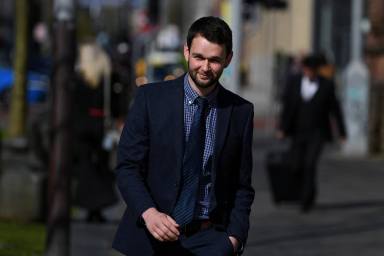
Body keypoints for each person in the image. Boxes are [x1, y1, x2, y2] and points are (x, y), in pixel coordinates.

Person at [112, 16, 255, 256]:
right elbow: (127, 167)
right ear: (186, 52)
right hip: (151, 236)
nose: (205, 68)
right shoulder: (150, 99)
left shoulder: (240, 112)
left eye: (215, 60)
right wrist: (149, 213)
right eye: (199, 57)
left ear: (228, 59)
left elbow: (242, 186)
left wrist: (234, 239)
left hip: (210, 241)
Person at [276, 54, 347, 213]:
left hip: (318, 133)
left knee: (310, 164)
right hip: (297, 132)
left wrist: (342, 132)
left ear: (316, 71)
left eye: (312, 70)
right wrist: (282, 128)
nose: (309, 73)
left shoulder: (327, 85)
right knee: (297, 165)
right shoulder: (294, 83)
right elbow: (287, 108)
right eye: (306, 70)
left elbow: (335, 110)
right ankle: (308, 191)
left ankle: (306, 199)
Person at [72, 42, 117, 222]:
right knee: (101, 166)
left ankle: (90, 205)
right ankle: (98, 206)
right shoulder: (107, 79)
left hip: (80, 128)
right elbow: (115, 105)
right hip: (100, 127)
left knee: (86, 168)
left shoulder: (78, 79)